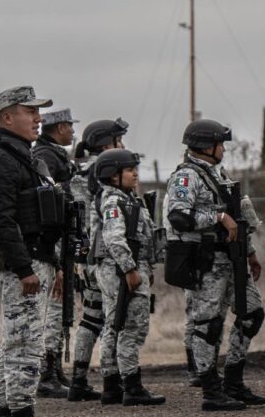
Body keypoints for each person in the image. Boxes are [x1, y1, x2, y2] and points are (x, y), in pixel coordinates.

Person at [165, 119, 265, 411]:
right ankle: (211, 390)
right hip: (206, 261)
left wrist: (250, 252)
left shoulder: (217, 174)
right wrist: (218, 218)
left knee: (252, 314)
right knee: (207, 324)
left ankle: (233, 381)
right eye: (220, 144)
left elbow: (237, 215)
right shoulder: (186, 176)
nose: (223, 149)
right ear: (206, 146)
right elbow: (179, 217)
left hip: (232, 258)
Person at [0, 86, 56, 417]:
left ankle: (8, 407)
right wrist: (24, 269)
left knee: (17, 343)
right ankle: (20, 409)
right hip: (19, 267)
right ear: (7, 117)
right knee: (25, 346)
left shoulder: (20, 155)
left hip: (32, 260)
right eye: (30, 111)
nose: (38, 118)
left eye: (38, 111)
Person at [92, 149, 165, 406]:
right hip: (121, 270)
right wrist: (130, 269)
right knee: (132, 326)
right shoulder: (115, 202)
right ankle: (132, 386)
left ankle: (112, 385)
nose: (135, 174)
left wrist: (146, 267)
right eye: (130, 170)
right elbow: (114, 238)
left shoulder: (127, 199)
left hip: (125, 268)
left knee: (115, 324)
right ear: (113, 175)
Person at [66, 118, 129, 402]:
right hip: (104, 256)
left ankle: (78, 379)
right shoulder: (101, 173)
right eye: (118, 140)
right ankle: (112, 380)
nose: (122, 145)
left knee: (91, 317)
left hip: (85, 256)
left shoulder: (78, 172)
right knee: (114, 316)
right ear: (106, 144)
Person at [31, 107, 79, 398]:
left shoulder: (54, 154)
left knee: (62, 306)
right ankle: (47, 372)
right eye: (70, 126)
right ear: (60, 127)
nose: (73, 131)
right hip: (54, 240)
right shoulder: (46, 155)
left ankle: (55, 368)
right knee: (55, 304)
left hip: (62, 238)